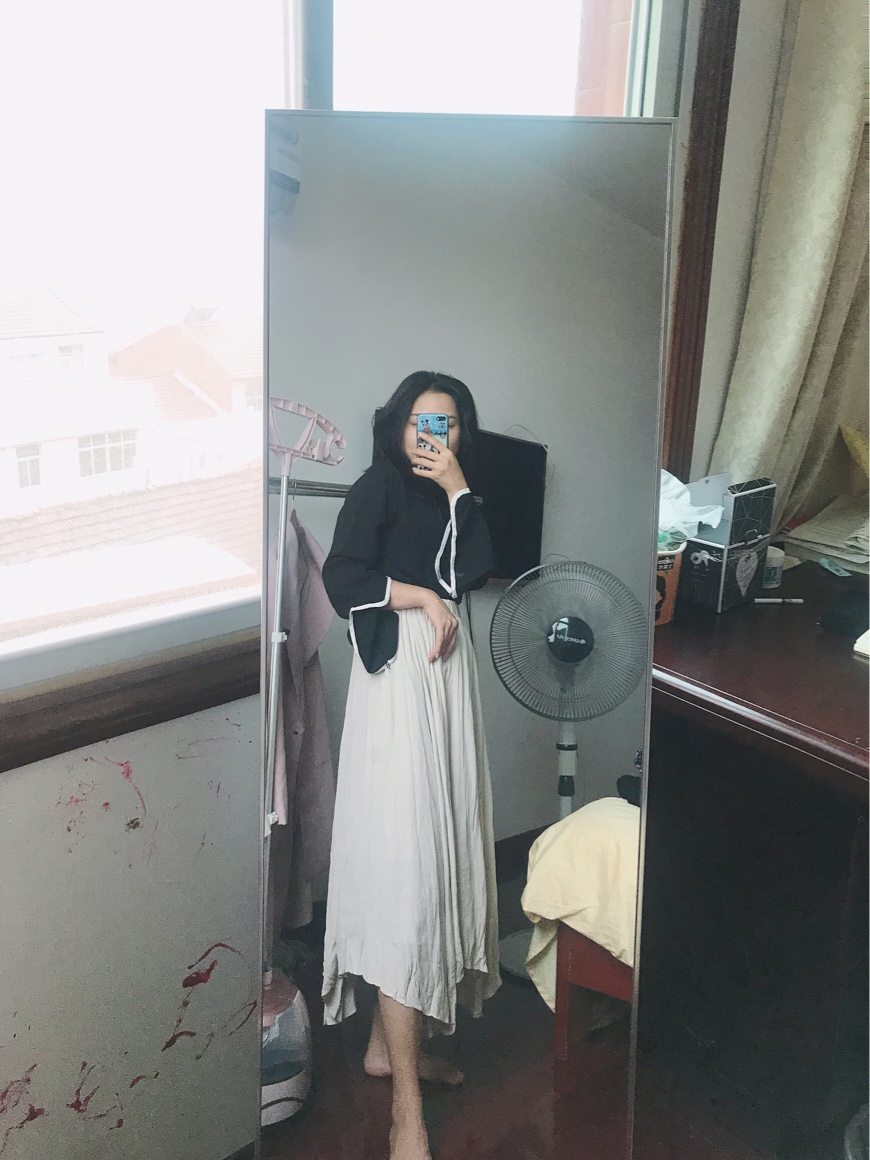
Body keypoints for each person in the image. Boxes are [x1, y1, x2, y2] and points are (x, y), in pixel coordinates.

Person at [321, 371, 501, 1160]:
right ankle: (406, 1112)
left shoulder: (455, 496)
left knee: (439, 859)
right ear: (397, 427)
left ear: (462, 435)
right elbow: (343, 577)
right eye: (423, 423)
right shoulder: (378, 487)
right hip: (397, 688)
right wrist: (421, 599)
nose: (434, 437)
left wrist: (460, 491)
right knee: (407, 878)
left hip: (448, 690)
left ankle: (386, 1049)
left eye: (448, 424)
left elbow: (473, 571)